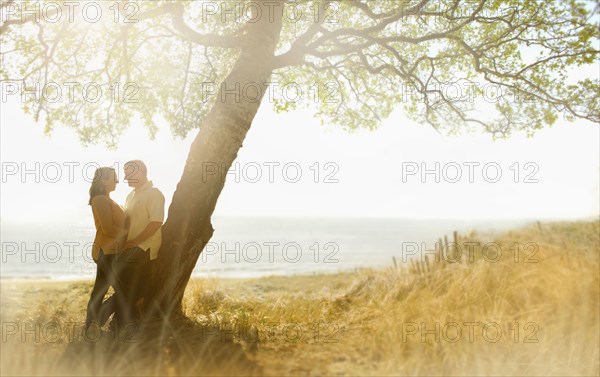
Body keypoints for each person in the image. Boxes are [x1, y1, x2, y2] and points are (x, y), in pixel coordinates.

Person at [113, 160, 165, 323]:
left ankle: (106, 319)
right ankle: (131, 315)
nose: (125, 177)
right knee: (127, 285)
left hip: (145, 246)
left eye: (129, 172)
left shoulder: (154, 193)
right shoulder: (130, 196)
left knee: (120, 275)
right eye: (125, 172)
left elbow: (156, 222)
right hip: (131, 246)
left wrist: (136, 241)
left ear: (140, 172)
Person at [85, 167, 127, 334]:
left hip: (111, 252)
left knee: (100, 291)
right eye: (114, 178)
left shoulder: (107, 199)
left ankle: (90, 327)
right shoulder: (100, 200)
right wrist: (129, 234)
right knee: (124, 291)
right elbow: (109, 229)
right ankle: (94, 326)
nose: (117, 181)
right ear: (103, 180)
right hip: (106, 252)